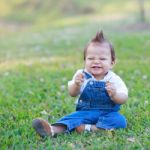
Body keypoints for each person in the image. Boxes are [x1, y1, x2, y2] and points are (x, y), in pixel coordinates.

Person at [32, 31, 128, 138]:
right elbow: (72, 93)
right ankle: (53, 130)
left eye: (102, 59)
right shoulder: (81, 75)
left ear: (112, 63)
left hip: (108, 113)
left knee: (120, 120)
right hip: (86, 112)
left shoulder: (114, 79)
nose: (96, 61)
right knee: (72, 118)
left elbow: (123, 97)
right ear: (85, 61)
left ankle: (90, 129)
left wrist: (115, 95)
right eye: (91, 58)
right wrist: (76, 85)